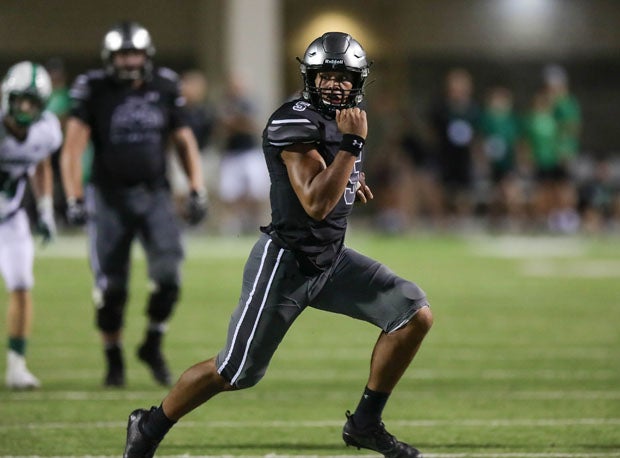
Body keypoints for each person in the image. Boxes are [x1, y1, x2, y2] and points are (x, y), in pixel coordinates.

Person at [123, 31, 433, 458]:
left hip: (330, 261)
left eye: (344, 77)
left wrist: (351, 178)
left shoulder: (347, 119)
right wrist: (351, 150)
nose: (335, 85)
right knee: (234, 372)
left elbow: (332, 181)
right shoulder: (297, 120)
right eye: (326, 76)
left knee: (412, 314)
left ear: (359, 81)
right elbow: (316, 202)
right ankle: (149, 425)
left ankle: (365, 422)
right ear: (310, 77)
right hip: (286, 264)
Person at [60, 21, 207, 388]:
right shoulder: (94, 88)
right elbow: (72, 149)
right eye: (123, 54)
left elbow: (184, 140)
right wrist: (74, 196)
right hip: (108, 197)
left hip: (154, 193)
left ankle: (152, 343)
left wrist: (196, 187)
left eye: (135, 54)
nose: (129, 61)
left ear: (147, 56)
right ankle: (113, 360)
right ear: (111, 58)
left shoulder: (163, 86)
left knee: (169, 276)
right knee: (111, 288)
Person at [1, 61, 62, 389]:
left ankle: (16, 366)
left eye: (33, 102)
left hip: (9, 218)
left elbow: (41, 162)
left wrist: (45, 208)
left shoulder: (47, 130)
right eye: (20, 99)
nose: (25, 108)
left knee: (22, 286)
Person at [214, 76, 269, 235]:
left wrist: (236, 123)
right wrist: (238, 123)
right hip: (231, 153)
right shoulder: (225, 104)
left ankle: (256, 223)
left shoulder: (251, 103)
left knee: (257, 191)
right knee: (229, 192)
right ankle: (232, 224)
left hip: (250, 152)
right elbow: (222, 127)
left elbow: (253, 125)